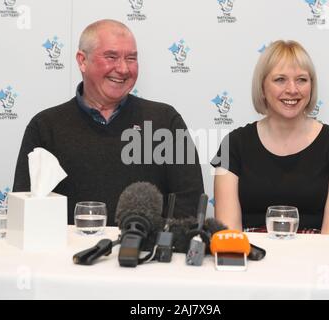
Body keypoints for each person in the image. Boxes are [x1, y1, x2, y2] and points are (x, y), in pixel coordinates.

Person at [13, 19, 204, 225]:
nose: (123, 69)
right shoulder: (45, 127)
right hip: (68, 255)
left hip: (146, 254)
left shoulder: (165, 120)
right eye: (111, 57)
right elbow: (26, 208)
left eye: (131, 58)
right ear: (82, 61)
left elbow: (189, 203)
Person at [211, 40, 329, 234]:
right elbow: (229, 235)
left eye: (302, 80)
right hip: (251, 257)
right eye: (280, 79)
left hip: (315, 260)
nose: (292, 89)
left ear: (311, 86)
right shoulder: (233, 144)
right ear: (262, 87)